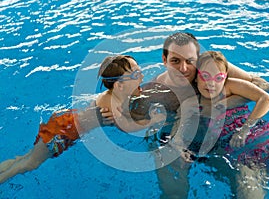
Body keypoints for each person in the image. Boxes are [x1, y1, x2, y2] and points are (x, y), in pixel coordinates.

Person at [0, 55, 164, 184]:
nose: (142, 76)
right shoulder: (112, 106)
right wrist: (152, 121)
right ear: (119, 85)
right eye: (136, 74)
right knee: (30, 164)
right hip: (63, 131)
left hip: (64, 120)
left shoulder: (116, 95)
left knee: (24, 158)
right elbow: (127, 127)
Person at [173, 51, 269, 198]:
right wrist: (180, 148)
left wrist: (245, 129)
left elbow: (267, 99)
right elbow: (177, 132)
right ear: (196, 78)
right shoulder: (190, 105)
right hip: (240, 157)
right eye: (205, 76)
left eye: (218, 78)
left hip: (266, 139)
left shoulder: (231, 87)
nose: (211, 83)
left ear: (225, 78)